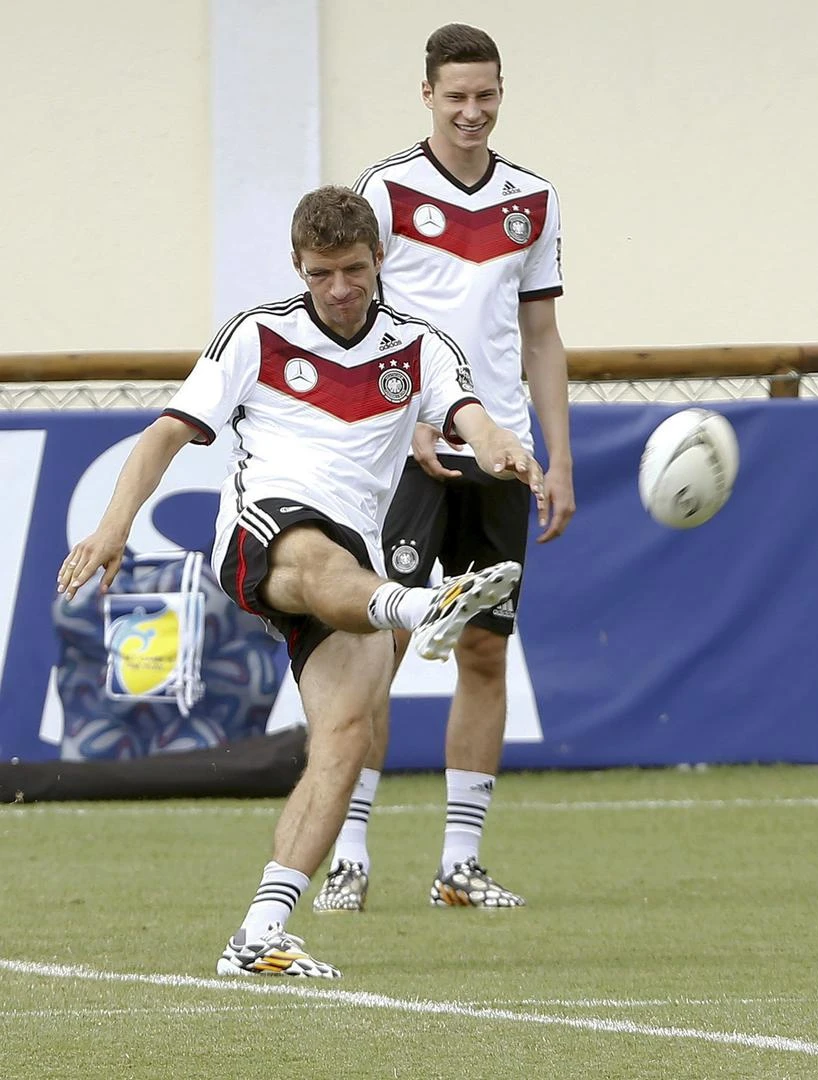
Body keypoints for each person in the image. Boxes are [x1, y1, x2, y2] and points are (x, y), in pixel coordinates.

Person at [57, 186, 547, 978]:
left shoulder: (418, 346)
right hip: (266, 535)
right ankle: (423, 604)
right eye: (323, 273)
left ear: (378, 260)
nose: (341, 288)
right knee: (319, 556)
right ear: (299, 267)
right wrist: (112, 526)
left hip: (355, 564)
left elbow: (468, 414)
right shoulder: (255, 336)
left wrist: (498, 448)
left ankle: (259, 931)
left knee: (345, 738)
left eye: (354, 269)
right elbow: (164, 435)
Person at [313, 24, 575, 915]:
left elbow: (539, 338)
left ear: (501, 93)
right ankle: (348, 851)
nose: (471, 111)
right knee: (375, 651)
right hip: (405, 456)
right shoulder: (383, 192)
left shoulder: (532, 200)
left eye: (486, 95)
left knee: (485, 650)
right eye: (456, 95)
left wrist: (557, 458)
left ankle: (459, 864)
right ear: (426, 94)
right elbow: (355, 325)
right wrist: (408, 418)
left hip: (499, 457)